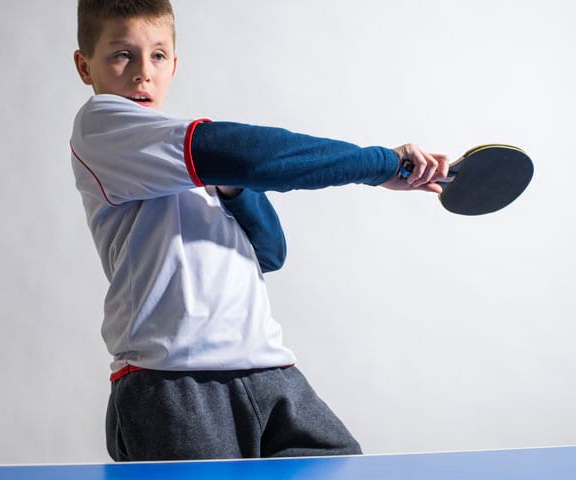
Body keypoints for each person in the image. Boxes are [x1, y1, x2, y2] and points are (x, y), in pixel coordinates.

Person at [71, 0, 448, 462]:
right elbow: (256, 156)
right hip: (171, 379)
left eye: (158, 55)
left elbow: (269, 252)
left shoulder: (189, 151)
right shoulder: (103, 128)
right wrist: (381, 163)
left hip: (268, 369)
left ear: (174, 64)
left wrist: (233, 186)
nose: (142, 73)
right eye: (121, 55)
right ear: (84, 66)